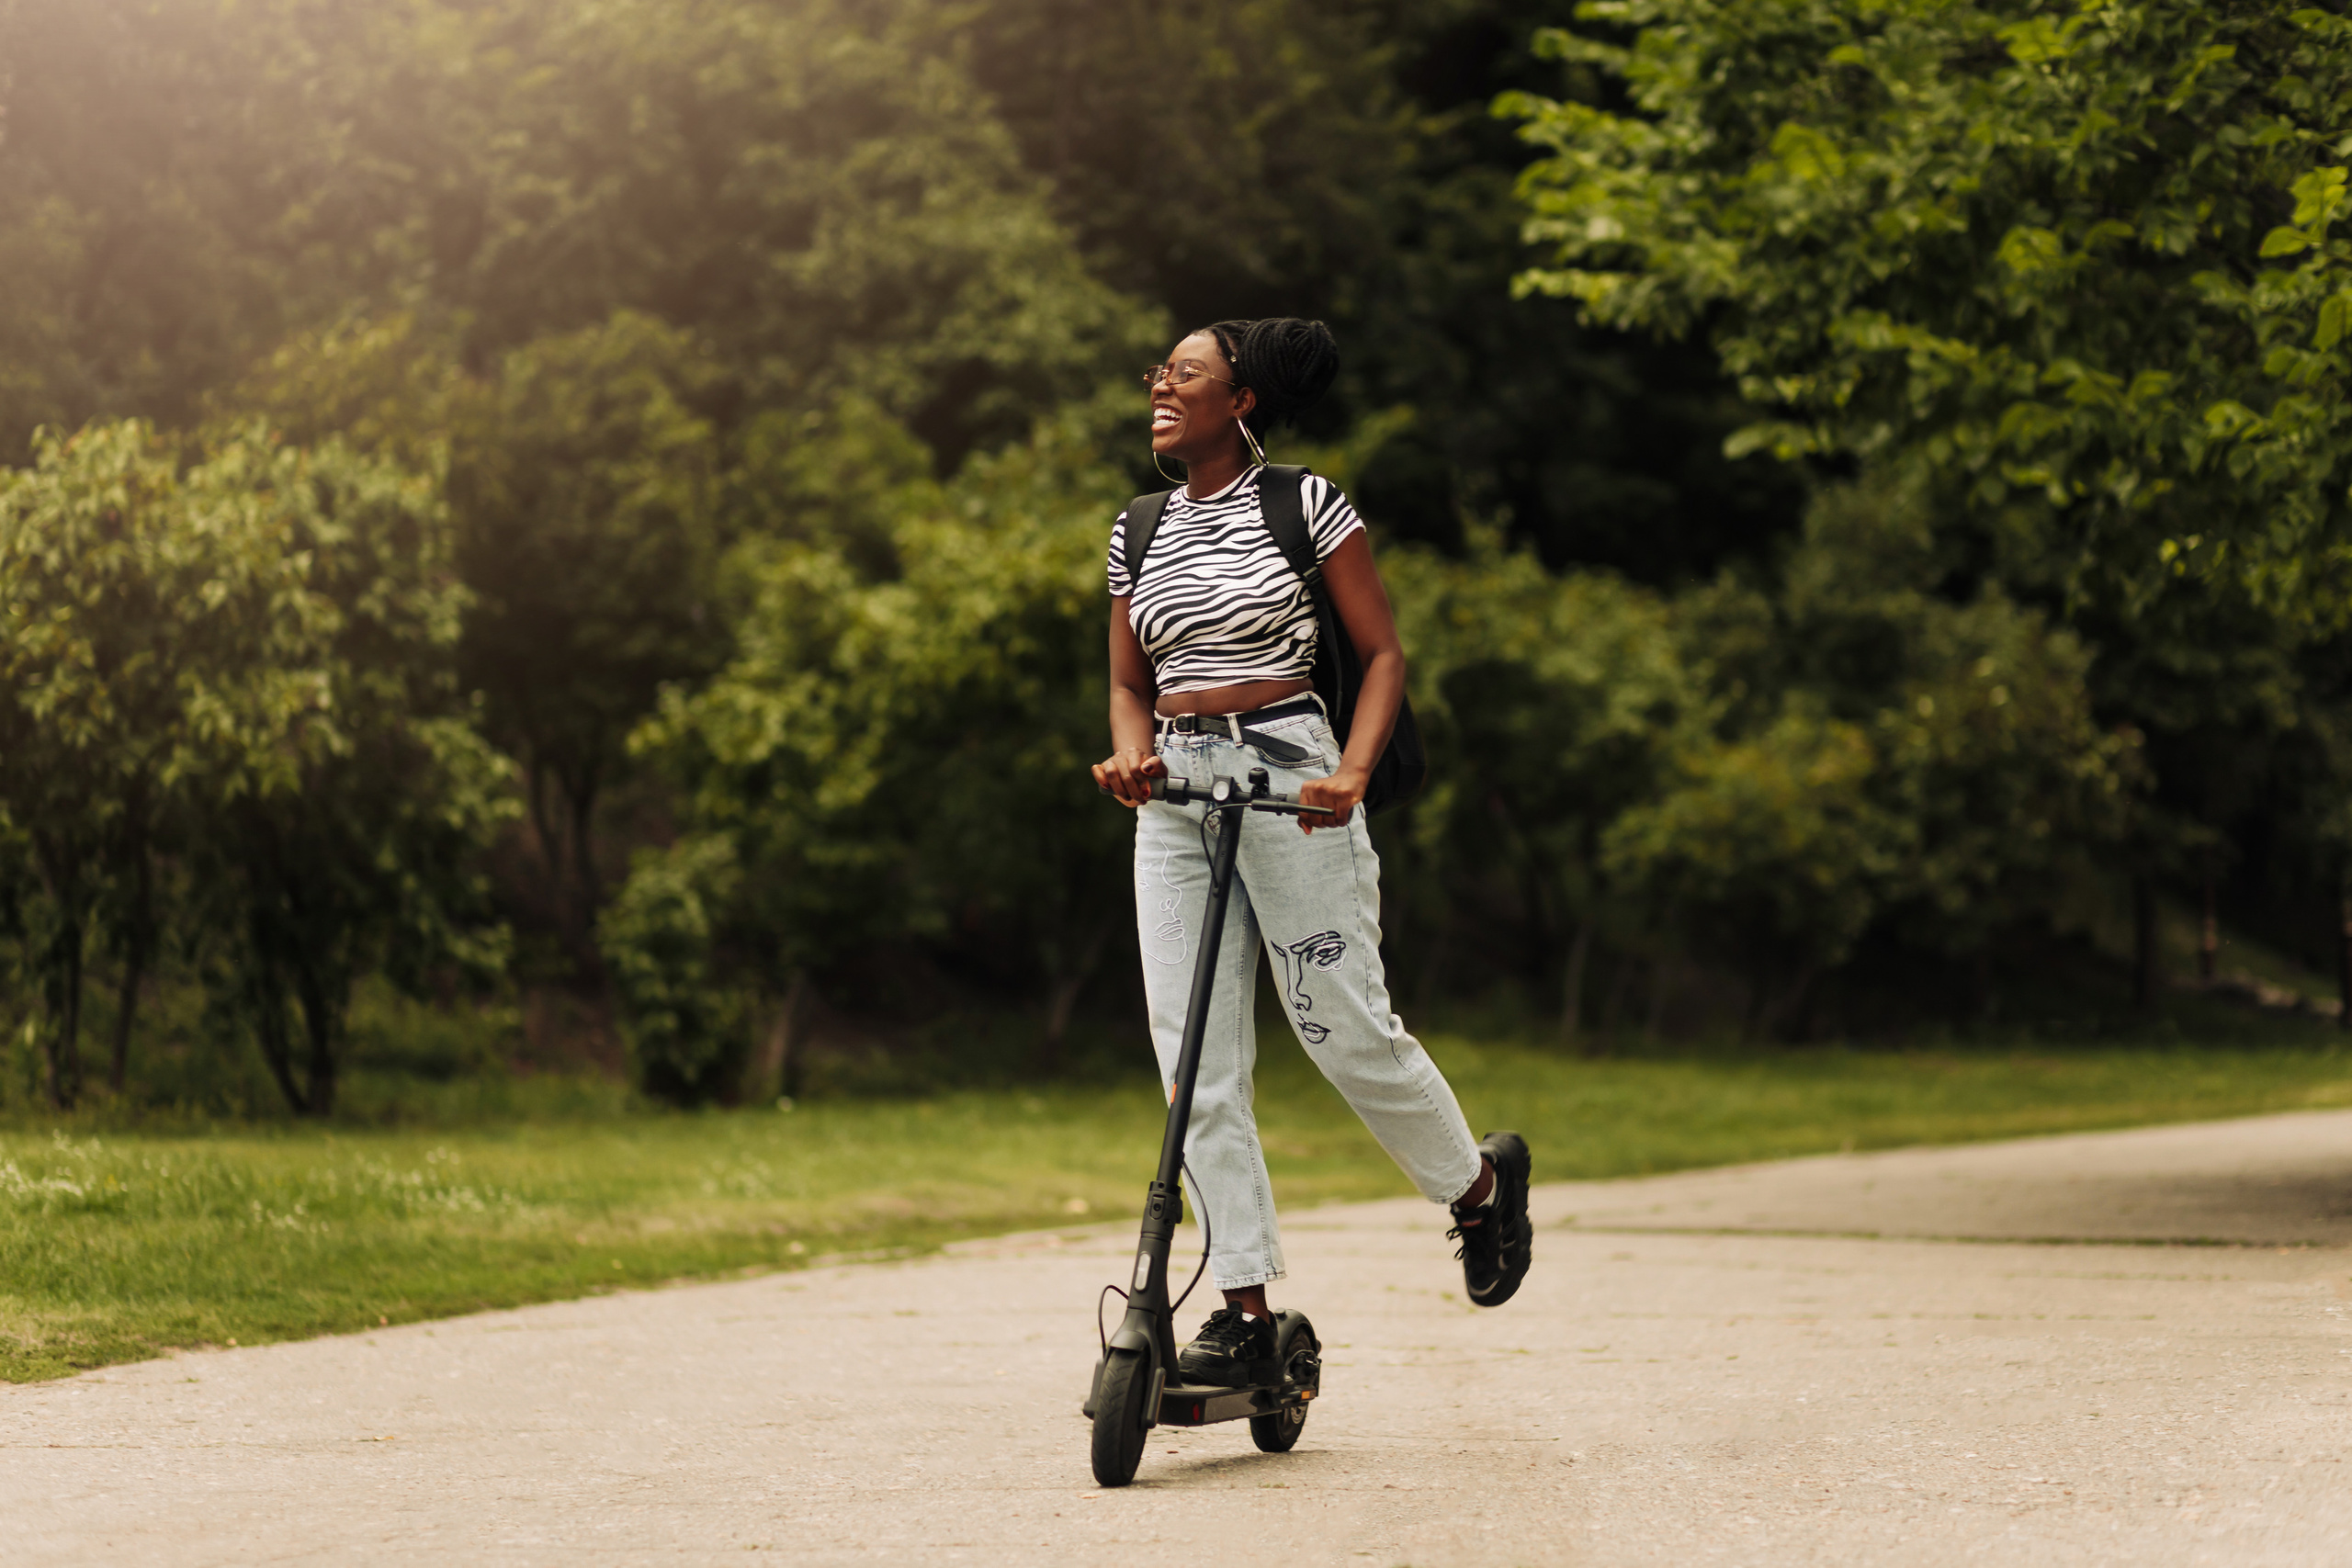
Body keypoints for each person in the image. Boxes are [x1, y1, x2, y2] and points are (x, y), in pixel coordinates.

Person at [1091, 317, 1532, 1389]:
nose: (1161, 384)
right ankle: (1242, 1307)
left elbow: (1379, 654)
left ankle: (1477, 1190)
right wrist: (1131, 757)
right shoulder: (1136, 528)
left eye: (1185, 372)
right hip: (1178, 797)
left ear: (1239, 401)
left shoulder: (1306, 504)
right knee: (1190, 1052)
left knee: (1340, 1024)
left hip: (1292, 774)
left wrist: (1351, 774)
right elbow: (1126, 683)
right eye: (1161, 371)